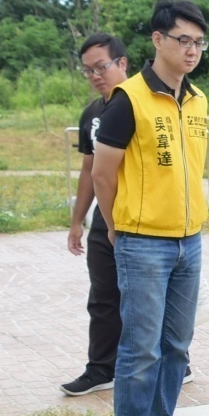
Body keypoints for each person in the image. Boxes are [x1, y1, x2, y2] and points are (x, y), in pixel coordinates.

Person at [92, 0, 209, 416]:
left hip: (190, 238)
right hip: (143, 241)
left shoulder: (198, 100)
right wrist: (118, 227)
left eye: (199, 42)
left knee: (177, 345)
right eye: (183, 40)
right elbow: (103, 173)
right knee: (140, 347)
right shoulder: (129, 99)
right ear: (158, 40)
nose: (192, 50)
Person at [61, 33, 129, 397]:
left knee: (146, 299)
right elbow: (89, 169)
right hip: (105, 221)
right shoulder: (92, 113)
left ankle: (175, 364)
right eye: (88, 70)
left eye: (101, 66)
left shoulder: (142, 106)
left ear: (122, 63)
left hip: (139, 220)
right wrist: (78, 220)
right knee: (103, 296)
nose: (95, 75)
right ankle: (101, 368)